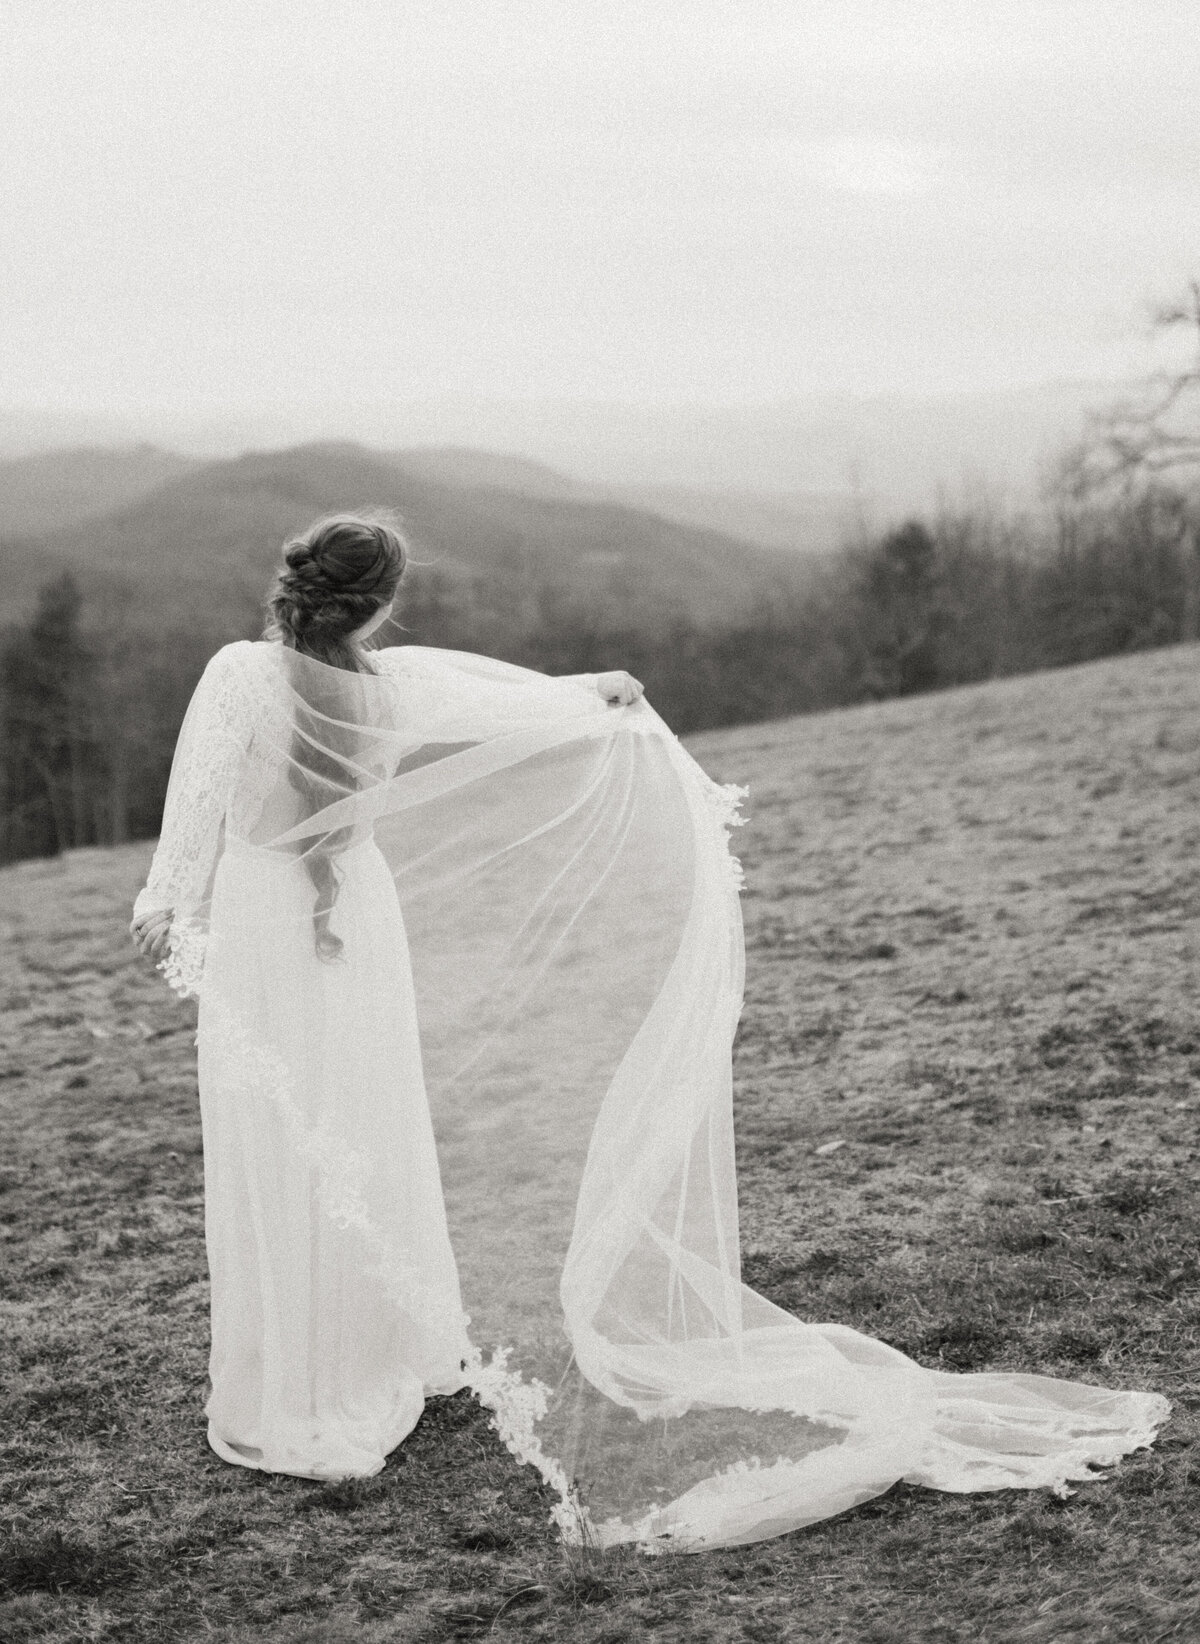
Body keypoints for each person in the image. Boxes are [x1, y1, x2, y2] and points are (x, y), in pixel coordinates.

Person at [131, 512, 1168, 1551]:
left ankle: (303, 1371)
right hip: (355, 914)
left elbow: (199, 801)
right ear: (381, 604)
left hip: (270, 923)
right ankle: (376, 1348)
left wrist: (163, 900)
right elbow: (502, 706)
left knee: (285, 1136)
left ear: (295, 585)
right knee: (364, 1122)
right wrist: (594, 693)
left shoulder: (238, 673)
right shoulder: (389, 686)